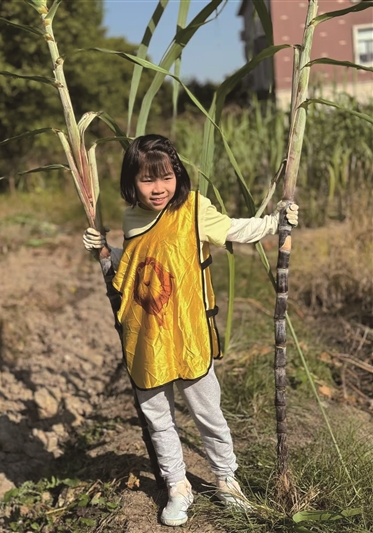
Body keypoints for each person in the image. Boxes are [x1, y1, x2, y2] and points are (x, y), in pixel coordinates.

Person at [83, 134, 298, 527]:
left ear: (177, 176)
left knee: (208, 412)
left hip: (188, 333)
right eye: (147, 179)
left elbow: (234, 229)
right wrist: (104, 250)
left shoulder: (194, 208)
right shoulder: (132, 218)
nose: (158, 188)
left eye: (166, 177)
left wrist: (275, 222)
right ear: (132, 182)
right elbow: (135, 266)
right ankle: (177, 486)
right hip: (146, 335)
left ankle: (226, 480)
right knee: (157, 417)